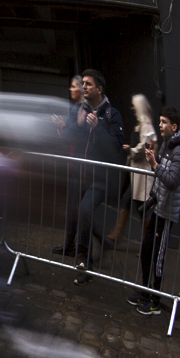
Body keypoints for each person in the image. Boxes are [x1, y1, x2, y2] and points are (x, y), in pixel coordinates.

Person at [52, 69, 126, 284]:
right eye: (82, 83)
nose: (84, 87)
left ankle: (84, 258)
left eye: (88, 84)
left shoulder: (112, 115)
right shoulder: (79, 110)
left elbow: (115, 148)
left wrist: (97, 128)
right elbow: (67, 137)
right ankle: (84, 263)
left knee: (85, 209)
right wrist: (76, 126)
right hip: (78, 175)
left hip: (99, 179)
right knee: (77, 213)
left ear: (99, 89)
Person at [132, 107, 180, 315]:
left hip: (167, 213)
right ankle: (145, 291)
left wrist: (154, 164)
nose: (160, 125)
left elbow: (172, 181)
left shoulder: (179, 150)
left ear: (174, 127)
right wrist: (156, 159)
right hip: (158, 208)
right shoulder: (166, 145)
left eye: (163, 122)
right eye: (160, 121)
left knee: (158, 258)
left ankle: (155, 300)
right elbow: (162, 174)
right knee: (146, 249)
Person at [108, 94, 156, 245]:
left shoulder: (146, 126)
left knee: (138, 206)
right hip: (135, 173)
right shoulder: (142, 125)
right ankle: (119, 235)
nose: (132, 109)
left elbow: (146, 145)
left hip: (140, 173)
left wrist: (131, 150)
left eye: (134, 106)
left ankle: (146, 243)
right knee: (131, 203)